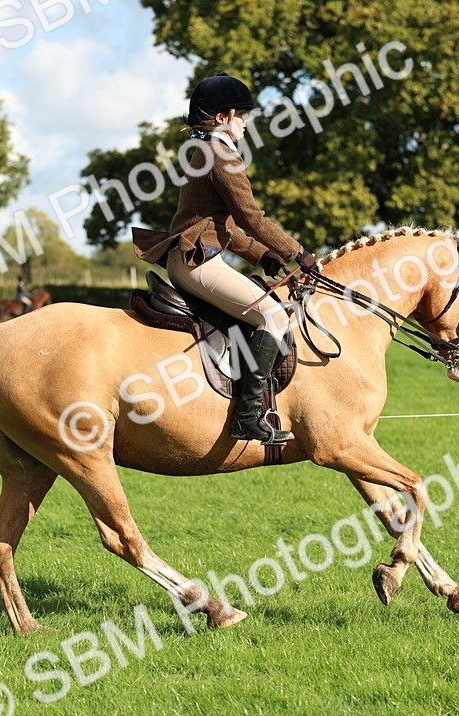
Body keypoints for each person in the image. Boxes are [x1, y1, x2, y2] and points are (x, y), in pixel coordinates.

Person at [132, 72, 317, 446]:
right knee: (274, 315)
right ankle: (248, 418)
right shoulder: (220, 153)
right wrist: (296, 253)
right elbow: (252, 217)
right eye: (242, 113)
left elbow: (223, 227)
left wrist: (262, 254)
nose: (247, 120)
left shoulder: (207, 151)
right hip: (197, 264)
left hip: (199, 257)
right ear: (221, 118)